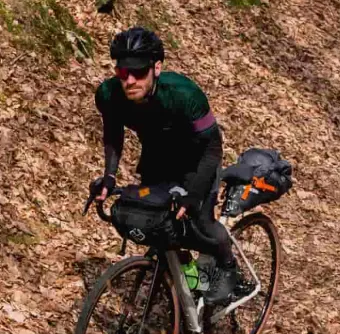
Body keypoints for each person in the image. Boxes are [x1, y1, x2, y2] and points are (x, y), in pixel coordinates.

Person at [90, 26, 239, 306]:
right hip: (158, 158)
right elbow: (113, 133)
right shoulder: (109, 95)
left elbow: (212, 146)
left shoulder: (183, 94)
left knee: (200, 224)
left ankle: (229, 267)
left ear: (156, 68)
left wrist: (194, 194)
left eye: (138, 72)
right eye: (123, 73)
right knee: (158, 224)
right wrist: (109, 175)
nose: (130, 80)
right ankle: (191, 279)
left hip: (198, 160)